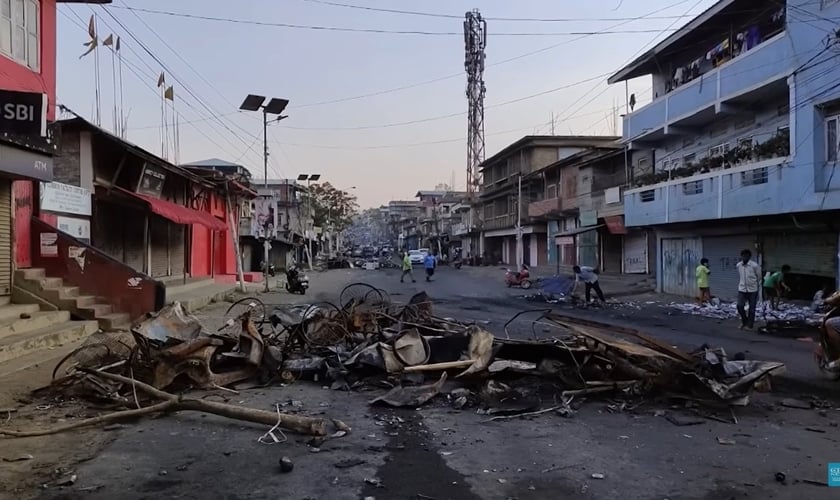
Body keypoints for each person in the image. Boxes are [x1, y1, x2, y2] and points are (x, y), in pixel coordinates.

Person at [736, 249, 762, 330]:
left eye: (746, 256)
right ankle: (744, 321)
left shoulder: (754, 265)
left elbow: (759, 276)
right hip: (742, 289)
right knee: (740, 306)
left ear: (749, 257)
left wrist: (754, 284)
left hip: (753, 290)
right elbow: (740, 275)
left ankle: (749, 325)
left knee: (752, 308)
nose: (744, 257)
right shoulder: (739, 265)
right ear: (741, 256)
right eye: (743, 256)